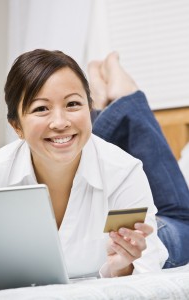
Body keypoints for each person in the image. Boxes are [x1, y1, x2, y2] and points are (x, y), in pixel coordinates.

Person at [0, 49, 167, 280]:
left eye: (73, 103)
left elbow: (145, 269)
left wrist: (123, 266)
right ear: (17, 127)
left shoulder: (122, 171)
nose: (60, 122)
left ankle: (127, 93)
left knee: (181, 219)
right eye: (41, 108)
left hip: (165, 233)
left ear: (89, 108)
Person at [88, 51, 189, 269]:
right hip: (127, 235)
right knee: (183, 219)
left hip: (122, 234)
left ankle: (120, 100)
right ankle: (121, 99)